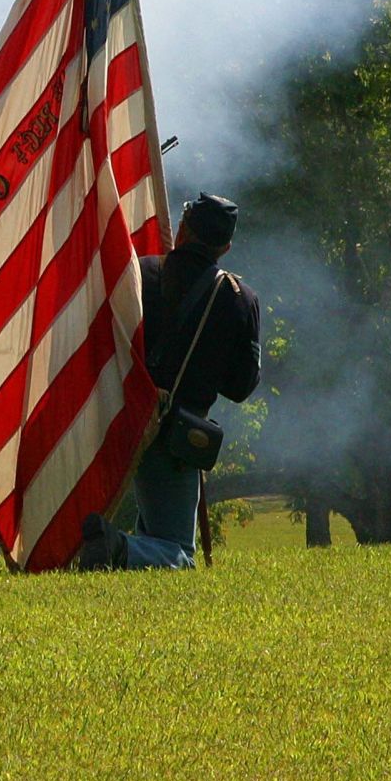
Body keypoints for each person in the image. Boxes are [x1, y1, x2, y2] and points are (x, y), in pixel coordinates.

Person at [79, 192, 261, 571]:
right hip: (178, 432)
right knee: (179, 553)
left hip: (117, 417)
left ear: (181, 231)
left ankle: (111, 546)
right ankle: (117, 546)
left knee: (160, 536)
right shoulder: (240, 298)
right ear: (226, 246)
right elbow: (240, 387)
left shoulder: (139, 272)